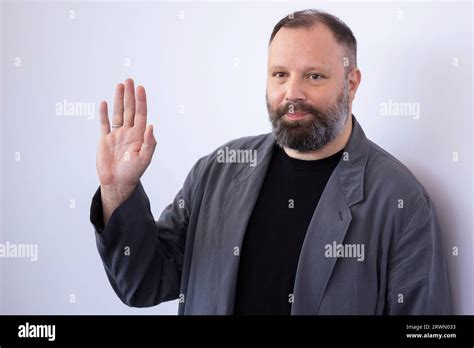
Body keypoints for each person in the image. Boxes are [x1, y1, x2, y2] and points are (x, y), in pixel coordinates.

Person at [90, 9, 453, 315]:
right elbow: (144, 283)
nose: (292, 93)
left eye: (314, 76)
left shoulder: (400, 201)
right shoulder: (218, 170)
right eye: (280, 74)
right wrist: (118, 193)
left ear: (351, 83)